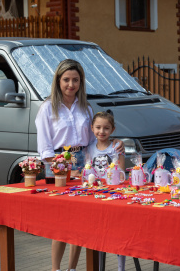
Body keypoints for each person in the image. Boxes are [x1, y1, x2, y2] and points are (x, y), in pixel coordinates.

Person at [35, 59, 124, 271]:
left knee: (80, 222)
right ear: (58, 81)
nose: (71, 85)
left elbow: (95, 141)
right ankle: (57, 269)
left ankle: (72, 268)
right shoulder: (48, 108)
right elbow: (45, 149)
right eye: (66, 80)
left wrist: (114, 144)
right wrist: (65, 168)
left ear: (81, 82)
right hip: (58, 164)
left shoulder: (86, 107)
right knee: (61, 223)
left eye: (75, 80)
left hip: (85, 164)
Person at [86, 110, 126, 271]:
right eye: (98, 127)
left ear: (113, 130)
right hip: (96, 197)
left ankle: (120, 267)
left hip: (113, 196)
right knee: (99, 235)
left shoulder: (116, 147)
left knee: (117, 234)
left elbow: (122, 173)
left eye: (106, 128)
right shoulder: (89, 148)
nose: (101, 131)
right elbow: (87, 171)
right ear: (92, 128)